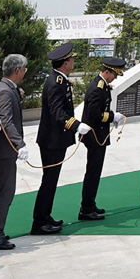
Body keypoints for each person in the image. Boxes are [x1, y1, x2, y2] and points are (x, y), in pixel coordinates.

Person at [34, 41, 90, 235]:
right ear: (65, 63)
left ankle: (45, 216)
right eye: (71, 59)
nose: (73, 61)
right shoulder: (56, 83)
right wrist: (76, 125)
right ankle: (39, 222)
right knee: (49, 181)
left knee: (52, 180)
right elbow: (57, 112)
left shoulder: (60, 80)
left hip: (56, 139)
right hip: (51, 140)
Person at [0, 54, 30, 250]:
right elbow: (6, 121)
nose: (25, 72)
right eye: (24, 69)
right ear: (17, 70)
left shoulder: (9, 89)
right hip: (5, 149)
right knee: (6, 191)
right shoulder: (5, 92)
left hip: (3, 148)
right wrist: (20, 144)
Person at [79, 56, 126, 220]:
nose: (115, 78)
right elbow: (94, 114)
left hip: (99, 135)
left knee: (95, 172)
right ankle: (86, 209)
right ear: (107, 72)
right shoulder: (98, 88)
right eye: (115, 74)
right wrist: (112, 116)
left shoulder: (103, 86)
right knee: (93, 172)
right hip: (95, 136)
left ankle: (90, 204)